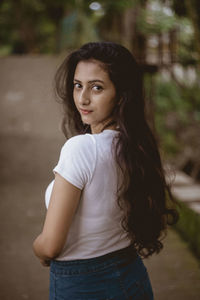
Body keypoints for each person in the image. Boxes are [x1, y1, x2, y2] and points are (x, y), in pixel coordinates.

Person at [33, 42, 178, 300]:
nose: (82, 98)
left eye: (96, 87)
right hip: (131, 277)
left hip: (83, 286)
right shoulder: (135, 147)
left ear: (121, 95)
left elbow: (51, 245)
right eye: (78, 85)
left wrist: (39, 249)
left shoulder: (80, 148)